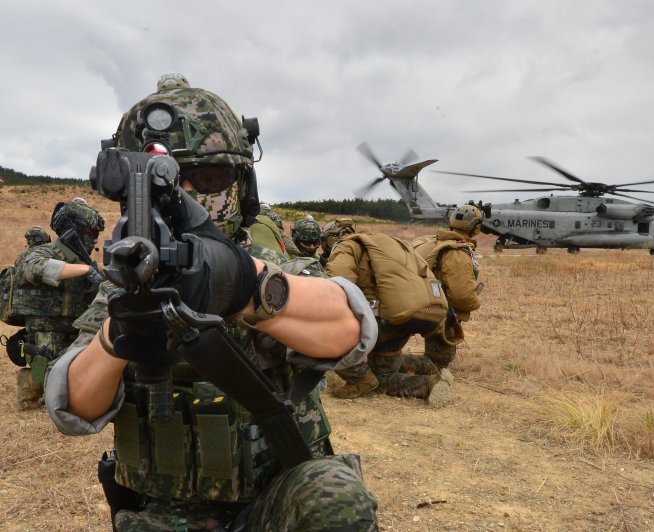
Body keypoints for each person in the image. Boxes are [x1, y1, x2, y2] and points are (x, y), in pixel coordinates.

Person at [45, 74, 379, 530]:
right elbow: (74, 408)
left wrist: (242, 284)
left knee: (335, 501)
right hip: (164, 514)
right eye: (166, 182)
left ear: (242, 184)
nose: (185, 195)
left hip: (272, 501)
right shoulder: (118, 286)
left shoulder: (267, 266)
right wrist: (122, 327)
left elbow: (350, 328)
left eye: (207, 178)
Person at [326, 230, 453, 407]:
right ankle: (430, 384)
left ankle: (360, 381)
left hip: (377, 323)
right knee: (383, 377)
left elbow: (336, 287)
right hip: (404, 319)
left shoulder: (347, 247)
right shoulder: (391, 246)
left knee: (322, 340)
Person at [12, 198, 104, 408]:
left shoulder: (84, 261)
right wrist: (86, 271)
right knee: (46, 369)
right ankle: (30, 383)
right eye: (89, 234)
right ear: (73, 230)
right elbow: (33, 268)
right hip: (47, 327)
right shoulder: (45, 252)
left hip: (76, 327)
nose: (92, 241)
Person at [411, 202, 483, 374]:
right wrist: (475, 302)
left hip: (414, 301)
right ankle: (393, 365)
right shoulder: (457, 251)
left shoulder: (432, 241)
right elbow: (462, 296)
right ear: (475, 228)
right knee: (439, 361)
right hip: (435, 310)